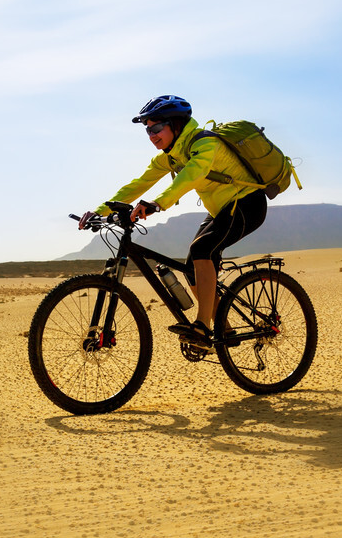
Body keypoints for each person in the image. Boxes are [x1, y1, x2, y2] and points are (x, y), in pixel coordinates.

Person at [79, 95, 268, 350]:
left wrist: (158, 203)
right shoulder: (170, 156)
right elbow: (139, 184)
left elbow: (192, 175)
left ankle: (202, 326)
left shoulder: (205, 142)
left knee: (203, 249)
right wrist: (100, 211)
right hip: (221, 209)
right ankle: (223, 327)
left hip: (247, 204)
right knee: (192, 266)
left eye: (156, 128)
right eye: (147, 130)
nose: (151, 135)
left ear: (176, 125)